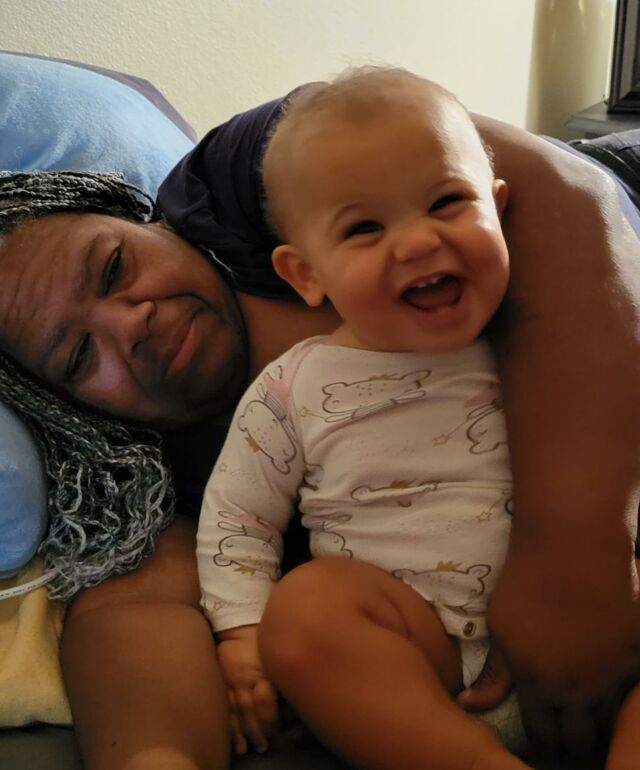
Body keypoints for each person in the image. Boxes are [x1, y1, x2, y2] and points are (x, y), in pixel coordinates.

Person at [0, 80, 638, 769]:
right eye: (79, 355)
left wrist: (576, 547)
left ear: (143, 218)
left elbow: (566, 191)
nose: (130, 325)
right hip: (447, 638)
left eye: (114, 267)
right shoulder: (154, 471)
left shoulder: (236, 182)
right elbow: (135, 614)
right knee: (306, 609)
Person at [194, 67, 638, 770]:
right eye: (365, 227)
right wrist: (242, 633)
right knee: (306, 612)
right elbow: (238, 519)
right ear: (306, 274)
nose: (418, 242)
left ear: (497, 209)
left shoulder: (541, 346)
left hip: (606, 645)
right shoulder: (292, 386)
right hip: (421, 661)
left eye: (448, 202)